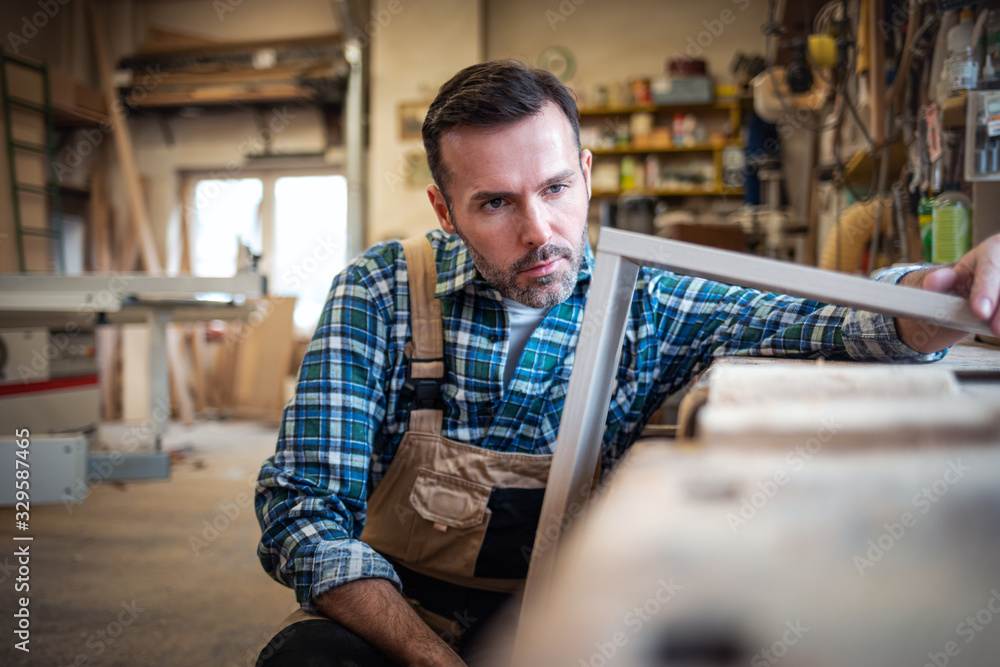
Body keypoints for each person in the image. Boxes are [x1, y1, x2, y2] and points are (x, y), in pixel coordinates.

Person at [253, 60, 1000, 667]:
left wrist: (941, 292)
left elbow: (818, 316)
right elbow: (302, 510)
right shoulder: (380, 291)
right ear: (444, 210)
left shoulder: (642, 298)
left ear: (585, 171)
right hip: (397, 611)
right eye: (494, 204)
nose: (540, 230)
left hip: (560, 608)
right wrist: (427, 655)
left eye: (555, 188)